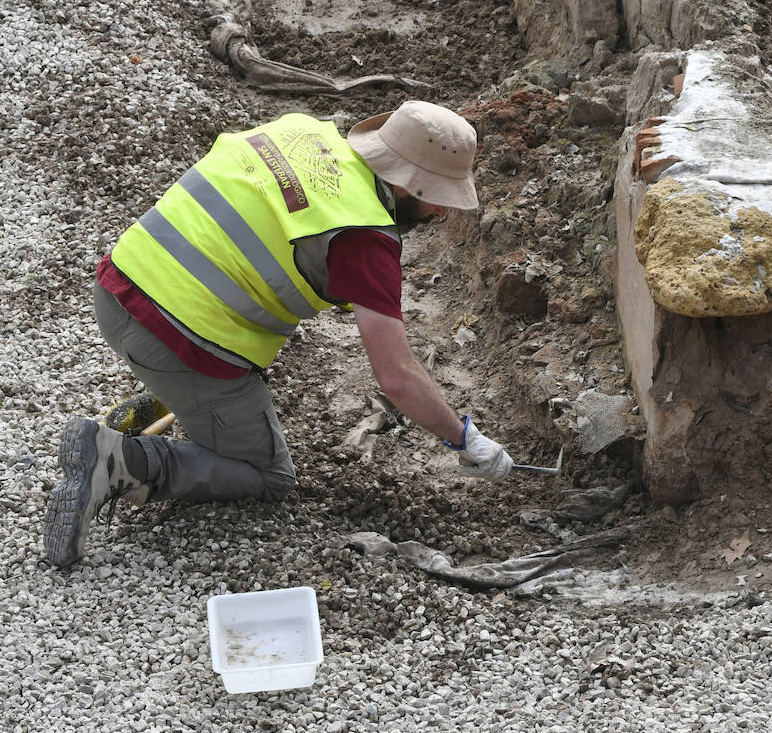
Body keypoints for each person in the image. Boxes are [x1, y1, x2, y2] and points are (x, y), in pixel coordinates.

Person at [43, 100, 514, 567]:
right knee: (267, 476)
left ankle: (169, 398)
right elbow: (396, 376)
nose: (442, 212)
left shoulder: (302, 132)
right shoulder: (363, 238)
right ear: (407, 183)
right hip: (174, 339)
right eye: (438, 197)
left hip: (117, 285)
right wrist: (464, 438)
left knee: (234, 329)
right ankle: (117, 460)